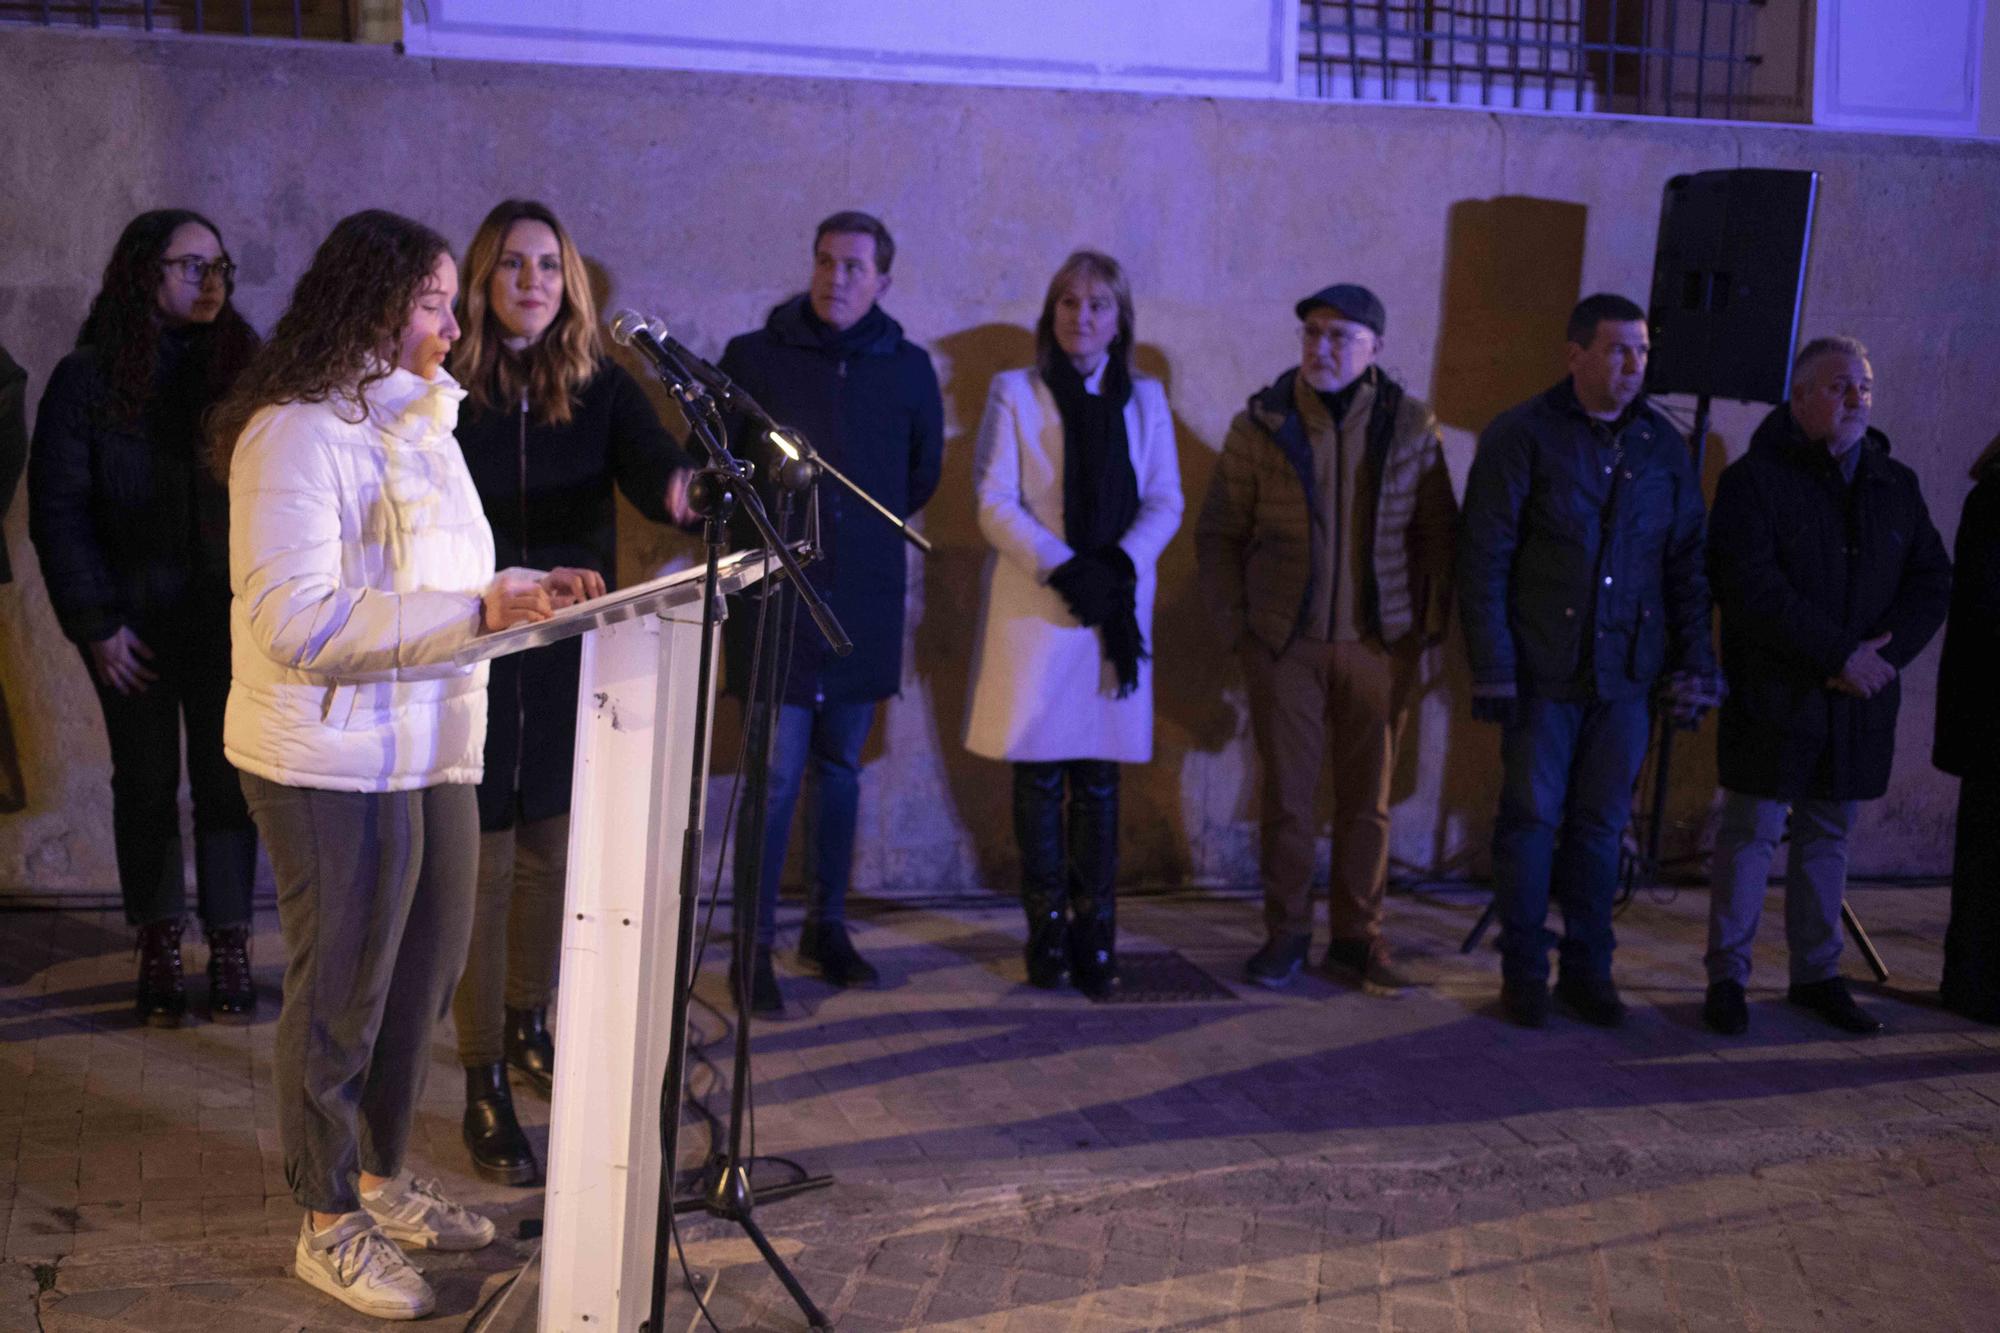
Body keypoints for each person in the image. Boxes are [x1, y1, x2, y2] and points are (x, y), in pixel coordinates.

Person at [211, 208, 590, 1320]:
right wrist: (476, 603)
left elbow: (450, 586)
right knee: (341, 1001)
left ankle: (380, 1176)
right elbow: (295, 621)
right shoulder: (292, 433)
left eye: (445, 301)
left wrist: (530, 593)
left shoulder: (427, 425)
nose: (451, 320)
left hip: (432, 750)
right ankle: (326, 1222)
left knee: (418, 986)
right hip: (328, 759)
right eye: (431, 301)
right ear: (369, 306)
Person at [446, 199, 696, 1185]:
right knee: (486, 866)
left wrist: (701, 491)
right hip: (466, 645)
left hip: (562, 652)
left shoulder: (596, 382)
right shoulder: (444, 387)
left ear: (571, 282)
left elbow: (657, 476)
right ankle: (479, 1081)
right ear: (481, 277)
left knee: (548, 851)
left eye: (549, 266)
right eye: (512, 264)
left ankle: (526, 1022)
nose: (532, 282)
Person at [26, 210, 261, 1025]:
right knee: (149, 784)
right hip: (132, 628)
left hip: (229, 625)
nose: (210, 281)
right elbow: (59, 510)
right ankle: (159, 942)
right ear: (142, 272)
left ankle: (231, 939)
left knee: (230, 786)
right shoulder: (86, 379)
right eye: (190, 265)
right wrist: (94, 622)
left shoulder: (246, 371)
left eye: (219, 267)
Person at [1457, 293, 1715, 1029]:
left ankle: (1590, 970)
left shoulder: (1661, 448)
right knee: (1532, 819)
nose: (1633, 365)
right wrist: (1496, 667)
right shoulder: (1523, 436)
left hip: (1625, 674)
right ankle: (1525, 973)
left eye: (1640, 351)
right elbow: (1485, 559)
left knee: (1602, 826)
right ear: (1575, 354)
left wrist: (1693, 662)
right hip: (1544, 671)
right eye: (1616, 349)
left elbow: (1685, 563)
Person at [1195, 283, 1456, 992]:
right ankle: (1285, 936)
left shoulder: (1409, 425)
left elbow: (1438, 533)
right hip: (1287, 644)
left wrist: (1424, 629)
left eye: (1340, 335)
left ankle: (1357, 937)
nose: (1322, 347)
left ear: (1375, 347)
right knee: (1288, 796)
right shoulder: (1263, 424)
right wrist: (1239, 629)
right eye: (1312, 332)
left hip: (1379, 643)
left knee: (1367, 802)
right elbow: (1219, 533)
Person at [718, 210, 943, 1015]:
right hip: (778, 603)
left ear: (882, 277)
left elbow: (921, 476)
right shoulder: (755, 358)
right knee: (773, 778)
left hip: (863, 604)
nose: (835, 278)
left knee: (840, 770)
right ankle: (752, 948)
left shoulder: (909, 368)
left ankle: (827, 926)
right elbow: (721, 463)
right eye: (824, 261)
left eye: (853, 266)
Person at [1703, 337, 1951, 1037]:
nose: (1857, 399)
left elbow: (1932, 578)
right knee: (1752, 830)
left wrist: (1884, 655)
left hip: (1857, 699)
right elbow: (1750, 586)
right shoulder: (1755, 479)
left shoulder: (1893, 482)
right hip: (1779, 692)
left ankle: (1816, 972)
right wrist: (1838, 652)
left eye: (1865, 387)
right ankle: (1728, 975)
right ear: (1802, 394)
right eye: (1841, 386)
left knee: (1828, 833)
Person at [963, 250, 1182, 997]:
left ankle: (1097, 935)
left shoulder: (1146, 399)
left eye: (1095, 306)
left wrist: (1115, 566)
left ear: (1118, 320)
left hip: (1111, 611)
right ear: (1050, 312)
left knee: (1097, 779)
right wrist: (1064, 566)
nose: (1079, 318)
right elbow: (994, 501)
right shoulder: (1016, 391)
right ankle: (1045, 935)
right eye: (1067, 303)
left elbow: (1165, 499)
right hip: (1039, 605)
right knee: (1040, 773)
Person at [1936, 433, 2000, 1026]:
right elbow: (1983, 602)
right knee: (1986, 853)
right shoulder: (1993, 495)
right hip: (1993, 710)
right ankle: (1973, 983)